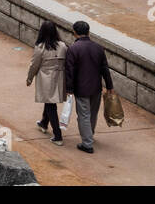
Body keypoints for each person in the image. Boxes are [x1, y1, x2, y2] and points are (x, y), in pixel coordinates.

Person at [64, 19, 113, 154]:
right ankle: (89, 134)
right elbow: (105, 69)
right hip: (96, 87)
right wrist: (109, 86)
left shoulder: (73, 49)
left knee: (83, 115)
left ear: (74, 33)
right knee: (93, 113)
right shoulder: (98, 48)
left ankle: (87, 143)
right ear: (88, 32)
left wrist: (69, 89)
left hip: (81, 88)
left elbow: (70, 71)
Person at [27, 21, 68, 147]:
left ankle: (58, 135)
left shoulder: (40, 47)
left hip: (46, 78)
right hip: (60, 77)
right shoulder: (62, 46)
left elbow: (34, 64)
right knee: (49, 101)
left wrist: (29, 78)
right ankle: (44, 123)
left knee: (51, 105)